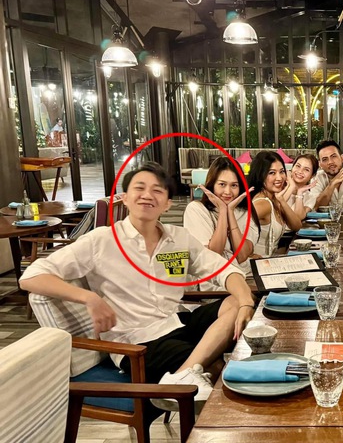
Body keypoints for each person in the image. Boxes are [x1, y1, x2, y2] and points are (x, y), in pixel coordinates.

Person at [19, 162, 255, 411]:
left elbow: (224, 269)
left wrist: (246, 302)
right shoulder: (101, 240)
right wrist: (89, 297)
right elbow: (31, 276)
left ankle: (182, 375)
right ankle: (191, 380)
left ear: (167, 204)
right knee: (219, 368)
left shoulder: (179, 238)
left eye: (157, 190)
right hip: (137, 342)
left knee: (237, 302)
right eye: (139, 188)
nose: (147, 195)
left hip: (176, 322)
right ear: (124, 198)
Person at [183, 157, 260, 275]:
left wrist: (231, 212)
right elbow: (213, 255)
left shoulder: (246, 212)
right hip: (212, 281)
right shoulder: (196, 209)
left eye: (234, 185)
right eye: (222, 184)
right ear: (212, 184)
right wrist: (223, 211)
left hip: (245, 276)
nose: (228, 192)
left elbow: (242, 255)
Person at [248, 151, 303, 257]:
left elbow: (296, 226)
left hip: (269, 262)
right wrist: (251, 255)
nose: (279, 178)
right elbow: (234, 228)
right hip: (255, 264)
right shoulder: (263, 203)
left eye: (282, 172)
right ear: (260, 175)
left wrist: (282, 199)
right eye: (272, 173)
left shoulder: (273, 199)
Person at [280, 153, 318, 220]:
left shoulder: (310, 197)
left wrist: (299, 193)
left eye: (306, 169)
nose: (300, 171)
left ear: (312, 176)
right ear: (292, 167)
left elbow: (298, 218)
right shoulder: (279, 185)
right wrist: (291, 186)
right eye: (298, 166)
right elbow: (275, 209)